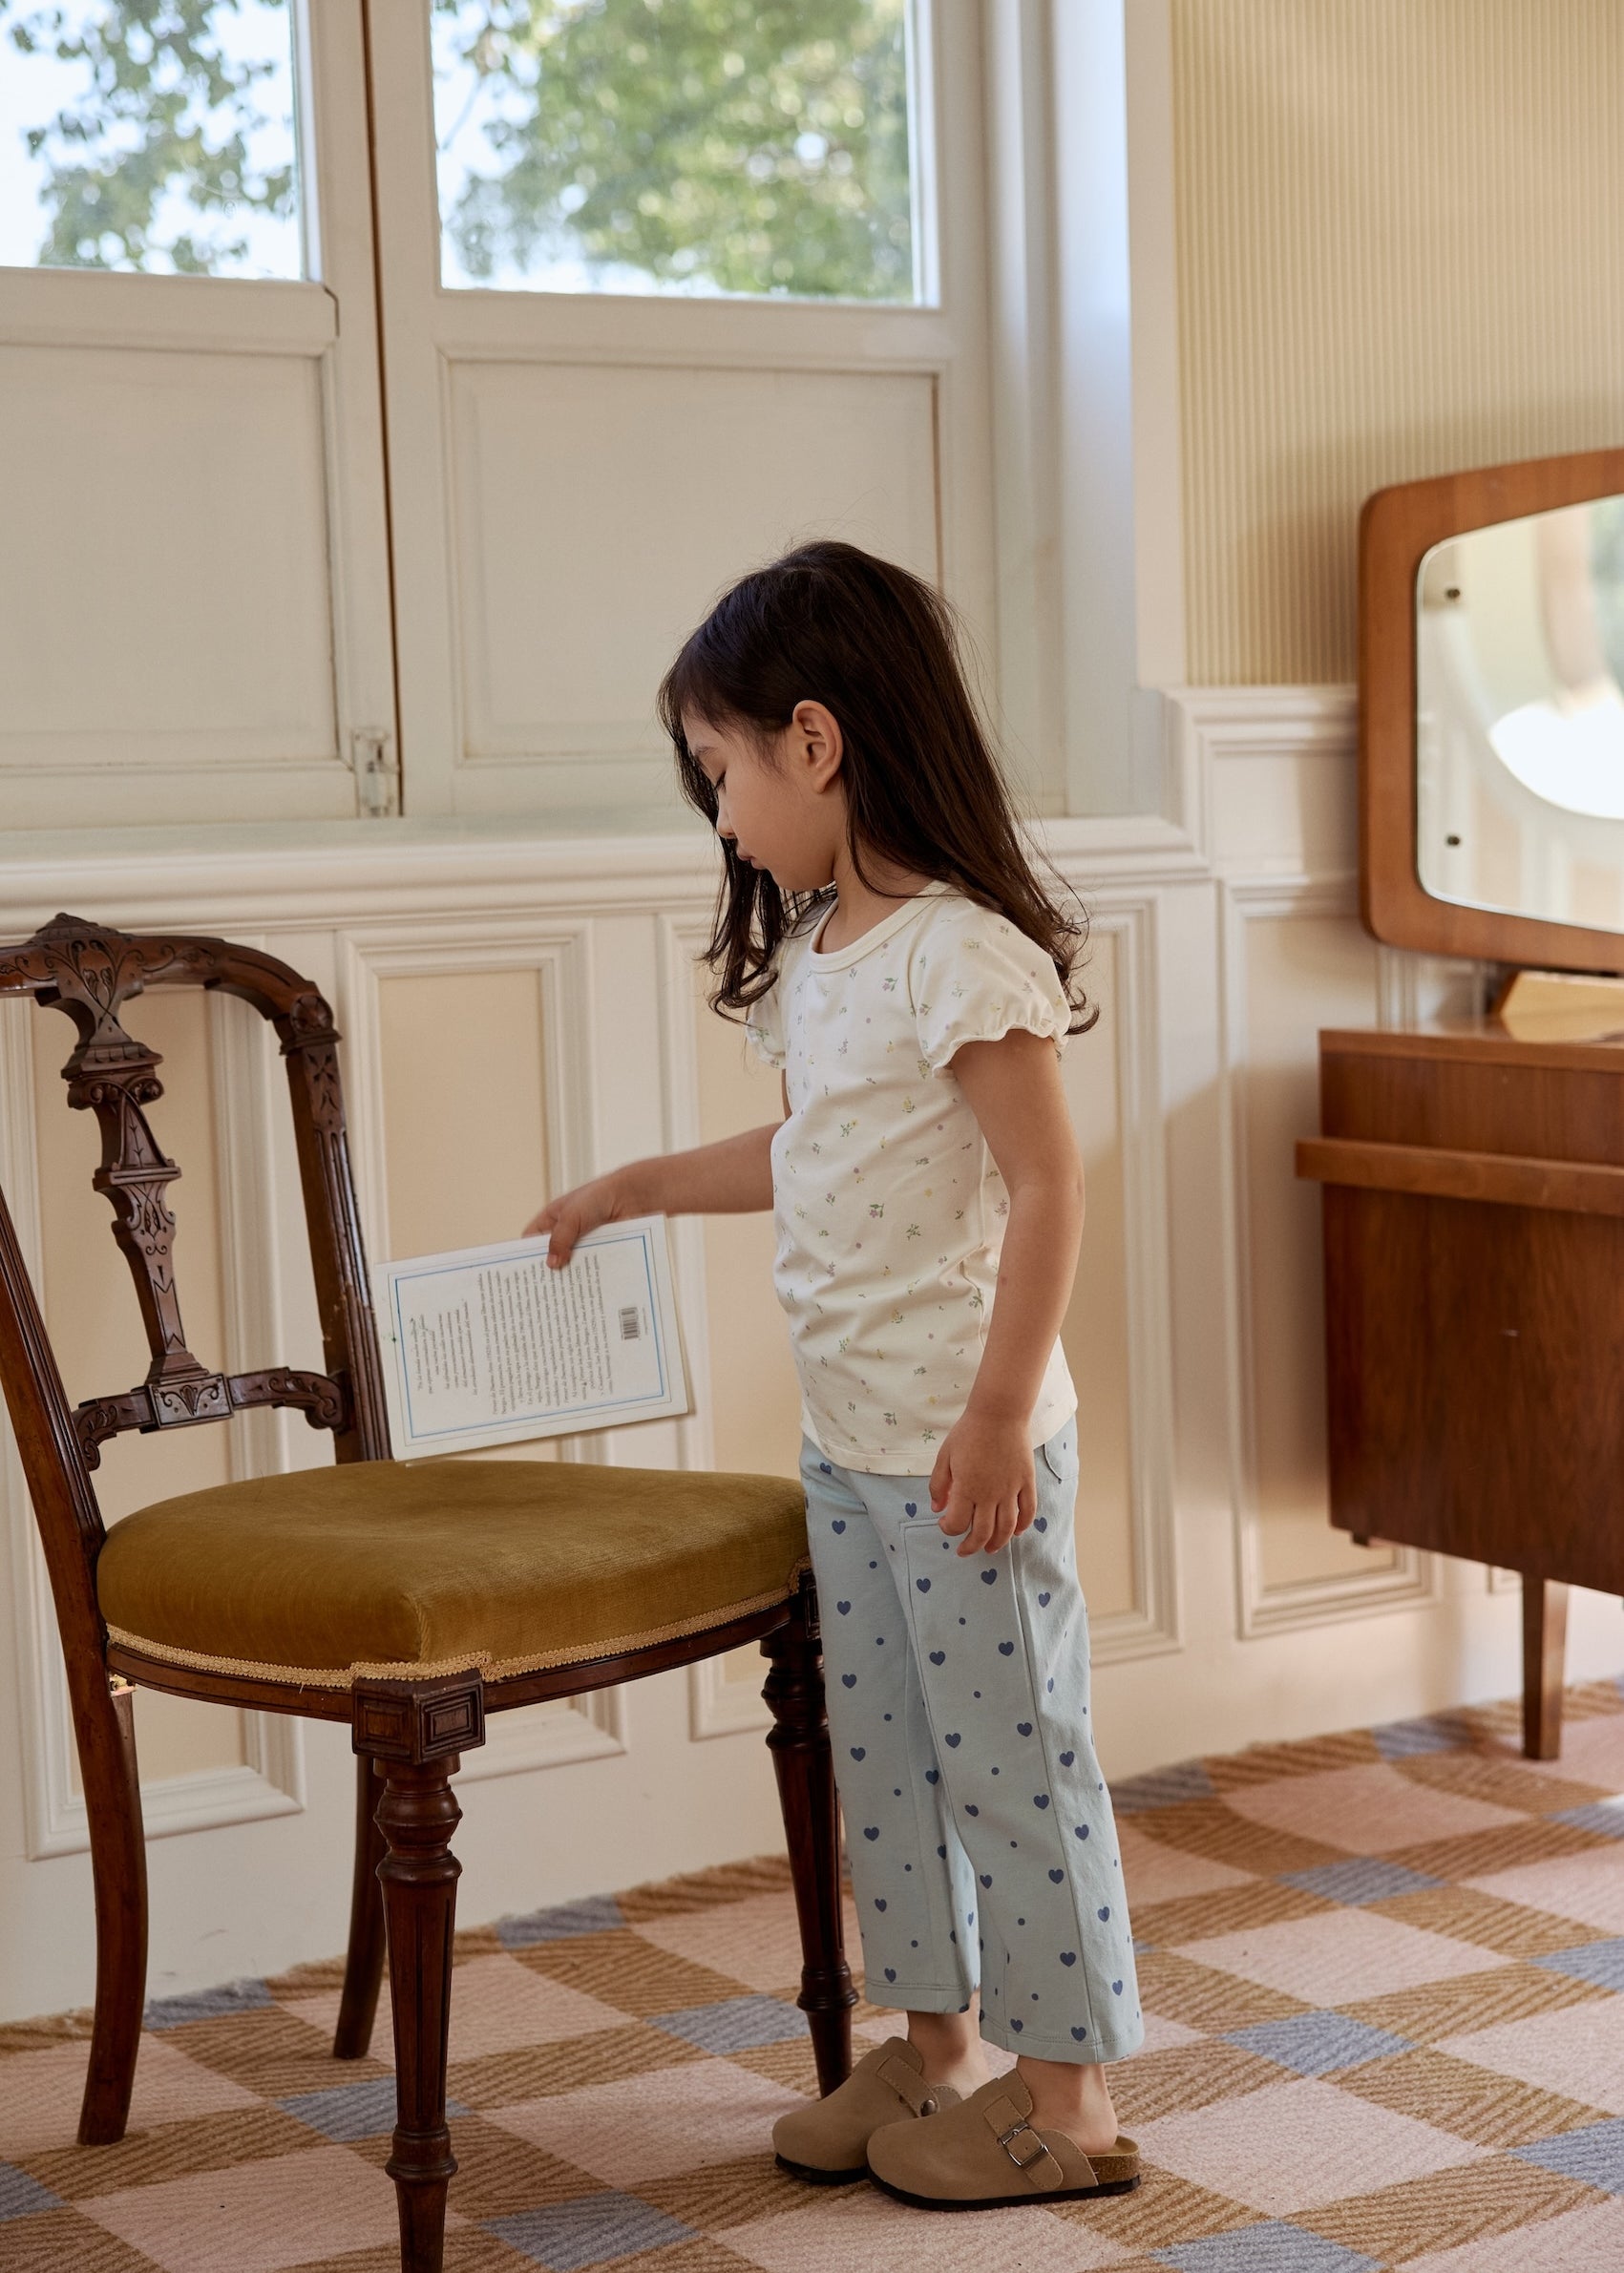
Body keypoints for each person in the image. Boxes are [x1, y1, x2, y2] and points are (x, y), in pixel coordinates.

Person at [526, 541, 1142, 2212]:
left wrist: (1001, 1410)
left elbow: (1047, 1187)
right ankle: (935, 2044)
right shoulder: (822, 951)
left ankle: (1068, 2096)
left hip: (965, 1448)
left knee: (1012, 1758)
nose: (718, 815)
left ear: (814, 740)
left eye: (718, 771)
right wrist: (634, 1184)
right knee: (891, 1764)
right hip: (854, 1448)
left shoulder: (959, 954)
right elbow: (815, 1149)